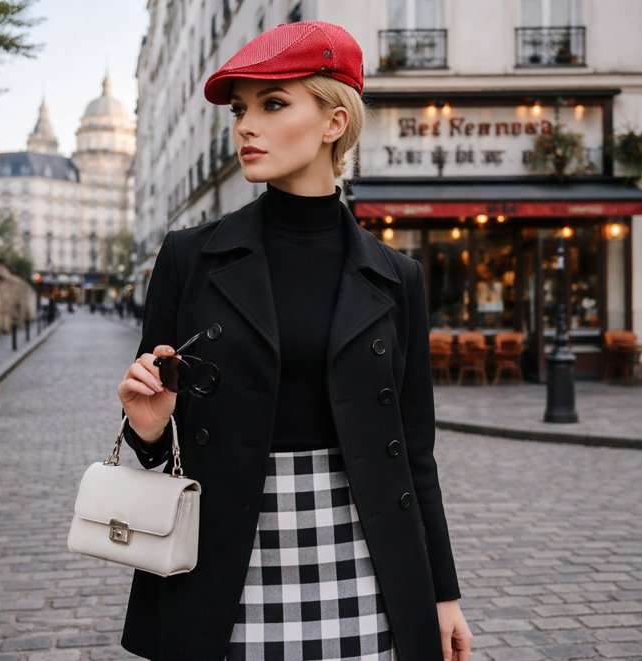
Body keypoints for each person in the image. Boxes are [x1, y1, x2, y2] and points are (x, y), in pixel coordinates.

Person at [116, 21, 471, 661]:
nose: (246, 126)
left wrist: (443, 592)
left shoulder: (397, 278)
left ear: (335, 121)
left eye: (273, 104)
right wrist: (145, 427)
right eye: (240, 109)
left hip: (363, 552)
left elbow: (414, 455)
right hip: (224, 552)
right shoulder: (189, 258)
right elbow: (158, 439)